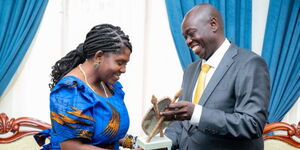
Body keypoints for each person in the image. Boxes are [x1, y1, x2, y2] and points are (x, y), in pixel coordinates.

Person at [160, 4, 270, 150]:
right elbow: (181, 124)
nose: (187, 41)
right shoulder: (190, 70)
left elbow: (252, 124)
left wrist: (196, 113)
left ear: (213, 24)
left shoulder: (250, 64)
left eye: (191, 33)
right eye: (185, 37)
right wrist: (162, 145)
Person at [34, 24, 139, 150]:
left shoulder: (109, 85)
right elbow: (71, 147)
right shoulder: (70, 91)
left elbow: (111, 134)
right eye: (120, 63)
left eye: (126, 64)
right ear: (99, 56)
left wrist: (136, 143)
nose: (123, 70)